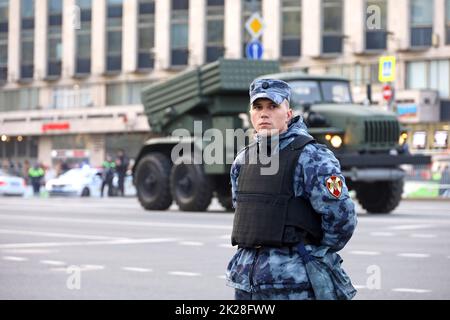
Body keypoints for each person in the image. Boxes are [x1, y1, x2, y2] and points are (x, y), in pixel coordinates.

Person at [226, 79, 357, 300]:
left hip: (293, 285)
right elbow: (242, 208)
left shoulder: (311, 156)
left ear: (288, 113)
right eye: (258, 107)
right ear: (250, 113)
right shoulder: (243, 159)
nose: (264, 114)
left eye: (273, 106)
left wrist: (311, 254)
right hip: (246, 283)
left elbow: (341, 218)